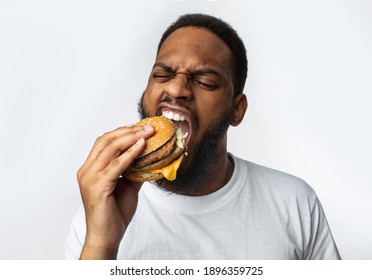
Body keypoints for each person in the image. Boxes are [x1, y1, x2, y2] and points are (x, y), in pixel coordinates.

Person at [65, 13, 341, 260]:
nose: (176, 88)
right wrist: (102, 244)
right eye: (162, 74)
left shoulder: (293, 202)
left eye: (205, 81)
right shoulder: (99, 215)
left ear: (236, 110)